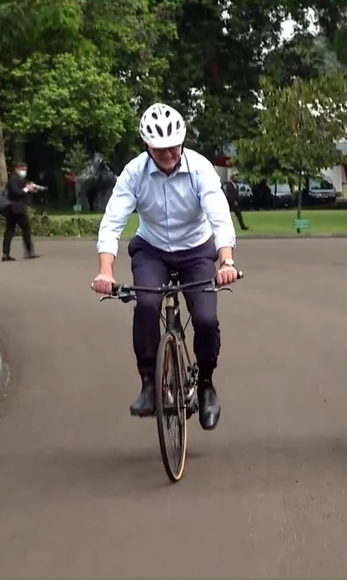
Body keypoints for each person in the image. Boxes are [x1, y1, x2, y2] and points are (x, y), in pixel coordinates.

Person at [91, 102, 239, 431]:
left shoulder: (200, 168)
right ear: (147, 147)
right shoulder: (134, 173)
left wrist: (226, 260)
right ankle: (148, 383)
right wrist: (105, 271)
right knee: (145, 304)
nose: (169, 154)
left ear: (183, 141)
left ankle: (206, 385)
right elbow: (112, 222)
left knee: (205, 317)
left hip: (196, 251)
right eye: (160, 150)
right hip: (152, 250)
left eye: (174, 146)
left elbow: (220, 218)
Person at [2, 162, 40, 261]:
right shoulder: (14, 179)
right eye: (22, 169)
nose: (24, 171)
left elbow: (23, 189)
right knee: (26, 229)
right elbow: (16, 192)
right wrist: (27, 189)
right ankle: (29, 252)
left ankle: (6, 254)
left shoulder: (20, 179)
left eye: (25, 169)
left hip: (13, 208)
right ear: (16, 169)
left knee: (9, 230)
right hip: (17, 209)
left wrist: (31, 189)